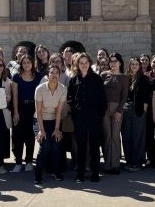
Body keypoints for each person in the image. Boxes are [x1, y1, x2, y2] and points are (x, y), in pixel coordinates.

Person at [67, 52, 107, 183]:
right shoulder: (74, 80)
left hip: (94, 118)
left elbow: (102, 99)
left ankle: (95, 173)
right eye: (81, 63)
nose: (84, 65)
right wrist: (75, 111)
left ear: (89, 63)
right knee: (81, 146)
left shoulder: (96, 79)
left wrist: (99, 115)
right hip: (79, 118)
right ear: (77, 64)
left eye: (86, 62)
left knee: (95, 146)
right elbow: (70, 99)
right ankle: (80, 174)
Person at [33, 64, 67, 184]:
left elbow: (59, 111)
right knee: (45, 145)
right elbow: (39, 111)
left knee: (57, 144)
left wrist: (57, 129)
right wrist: (41, 130)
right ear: (47, 75)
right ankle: (37, 174)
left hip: (54, 120)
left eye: (56, 73)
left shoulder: (63, 89)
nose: (54, 75)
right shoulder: (40, 89)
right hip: (40, 120)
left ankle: (56, 172)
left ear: (59, 75)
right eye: (51, 72)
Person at [10, 54, 42, 173]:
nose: (26, 64)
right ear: (21, 64)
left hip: (33, 108)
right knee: (18, 136)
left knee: (30, 136)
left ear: (32, 64)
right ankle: (18, 162)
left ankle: (29, 161)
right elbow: (15, 96)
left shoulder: (38, 76)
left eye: (29, 62)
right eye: (24, 62)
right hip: (20, 108)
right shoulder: (16, 77)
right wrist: (16, 113)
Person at [101, 52, 129, 174]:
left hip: (117, 108)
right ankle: (107, 164)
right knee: (107, 136)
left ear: (120, 62)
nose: (113, 63)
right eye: (111, 61)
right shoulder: (103, 74)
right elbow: (100, 92)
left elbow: (124, 96)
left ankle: (115, 164)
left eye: (115, 61)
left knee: (115, 136)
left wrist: (119, 111)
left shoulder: (124, 77)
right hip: (104, 109)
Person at [121, 57, 151, 172]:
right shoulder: (125, 79)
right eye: (132, 64)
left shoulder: (144, 79)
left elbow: (147, 97)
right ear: (129, 66)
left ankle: (137, 162)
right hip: (126, 109)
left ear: (139, 66)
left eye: (136, 64)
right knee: (126, 136)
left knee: (138, 136)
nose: (134, 66)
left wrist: (144, 110)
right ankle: (129, 161)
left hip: (138, 109)